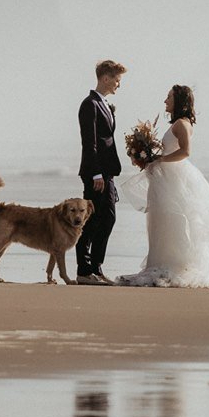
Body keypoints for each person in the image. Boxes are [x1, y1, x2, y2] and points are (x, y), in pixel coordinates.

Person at [117, 83, 209, 288]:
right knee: (162, 222)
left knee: (171, 220)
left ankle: (172, 264)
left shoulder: (181, 124)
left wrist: (159, 160)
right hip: (166, 177)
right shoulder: (177, 124)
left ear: (178, 101)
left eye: (169, 97)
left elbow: (185, 152)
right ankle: (161, 261)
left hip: (173, 179)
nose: (165, 101)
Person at [74, 59, 125, 285]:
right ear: (105, 78)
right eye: (116, 79)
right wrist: (95, 174)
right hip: (96, 174)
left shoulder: (104, 104)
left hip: (108, 173)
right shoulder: (90, 104)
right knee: (91, 222)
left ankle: (96, 267)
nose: (118, 84)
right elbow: (90, 142)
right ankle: (83, 271)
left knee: (108, 220)